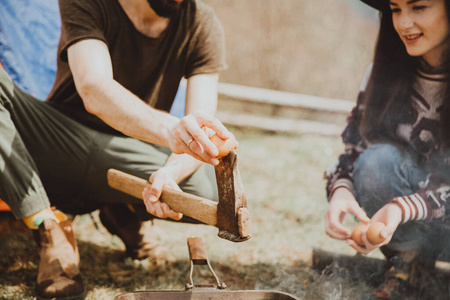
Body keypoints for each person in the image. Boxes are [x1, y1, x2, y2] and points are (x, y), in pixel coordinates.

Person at [0, 0, 235, 299]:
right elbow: (94, 89)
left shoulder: (202, 22)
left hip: (125, 153)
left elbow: (202, 126)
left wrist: (169, 172)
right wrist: (170, 130)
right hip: (59, 140)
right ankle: (47, 223)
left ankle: (120, 209)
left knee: (207, 190)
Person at [324, 0, 450, 298]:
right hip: (410, 226)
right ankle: (406, 267)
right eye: (395, 9)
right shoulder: (382, 73)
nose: (404, 23)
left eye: (418, 7)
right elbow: (356, 150)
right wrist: (341, 188)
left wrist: (401, 207)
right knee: (377, 161)